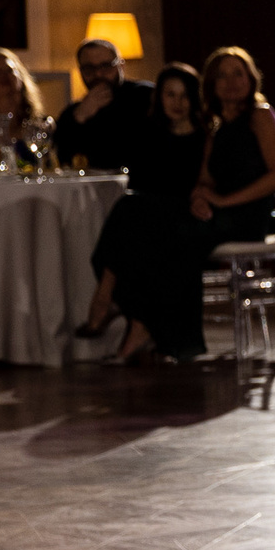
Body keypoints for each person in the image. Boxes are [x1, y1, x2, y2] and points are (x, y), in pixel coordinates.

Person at [110, 47, 275, 364]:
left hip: (247, 215)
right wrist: (199, 198)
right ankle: (149, 325)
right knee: (135, 210)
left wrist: (222, 201)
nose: (231, 81)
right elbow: (205, 177)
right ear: (211, 85)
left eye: (238, 73)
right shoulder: (215, 123)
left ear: (250, 78)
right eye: (222, 75)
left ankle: (153, 330)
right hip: (218, 211)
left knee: (175, 235)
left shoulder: (260, 115)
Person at [76, 63, 207, 343]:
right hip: (151, 215)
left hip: (187, 214)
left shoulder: (205, 136)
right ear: (159, 97)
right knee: (134, 217)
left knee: (130, 212)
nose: (178, 103)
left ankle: (105, 298)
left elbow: (197, 186)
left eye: (184, 96)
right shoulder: (150, 132)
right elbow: (139, 180)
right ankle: (132, 321)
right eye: (170, 95)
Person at [53, 36, 155, 171]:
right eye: (89, 69)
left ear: (121, 66)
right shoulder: (73, 113)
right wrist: (80, 117)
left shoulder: (145, 95)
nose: (98, 74)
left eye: (106, 67)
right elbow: (62, 159)